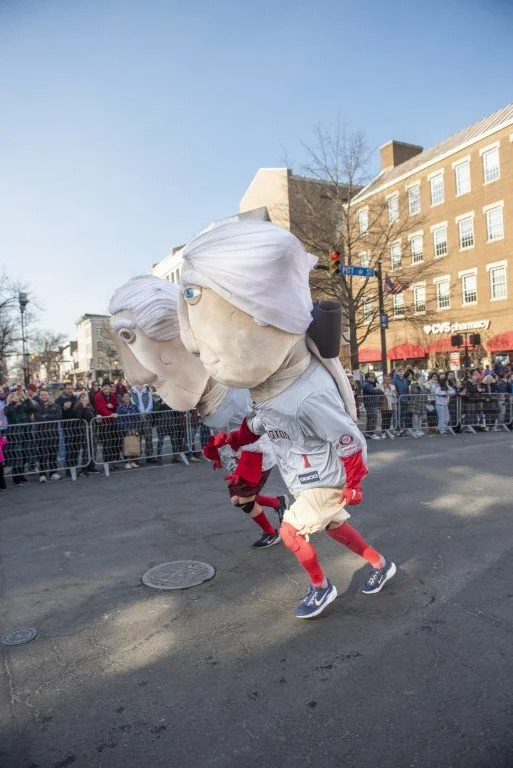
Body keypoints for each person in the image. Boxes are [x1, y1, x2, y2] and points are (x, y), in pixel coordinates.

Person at [179, 220, 396, 618]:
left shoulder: (309, 394)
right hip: (302, 475)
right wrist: (229, 440)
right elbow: (261, 424)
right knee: (334, 528)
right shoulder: (270, 389)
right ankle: (381, 564)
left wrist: (353, 481)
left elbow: (348, 437)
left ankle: (321, 587)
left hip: (323, 477)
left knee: (291, 531)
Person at [109, 274, 286, 549]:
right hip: (237, 456)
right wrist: (223, 452)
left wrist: (241, 464)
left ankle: (272, 530)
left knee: (240, 501)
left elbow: (253, 432)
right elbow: (222, 430)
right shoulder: (205, 395)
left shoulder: (233, 388)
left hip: (254, 457)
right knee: (242, 501)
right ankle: (277, 504)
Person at [4, 389, 35, 485]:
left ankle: (21, 475)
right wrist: (13, 402)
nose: (16, 396)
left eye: (17, 395)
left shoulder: (23, 405)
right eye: (13, 395)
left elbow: (31, 408)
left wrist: (25, 396)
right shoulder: (8, 407)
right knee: (17, 456)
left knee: (24, 455)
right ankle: (16, 477)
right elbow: (8, 413)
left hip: (25, 433)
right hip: (15, 434)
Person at [34, 390, 62, 482]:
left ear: (48, 395)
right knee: (43, 455)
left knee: (53, 454)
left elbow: (59, 416)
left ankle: (53, 473)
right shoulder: (37, 406)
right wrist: (48, 416)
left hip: (53, 434)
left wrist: (46, 416)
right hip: (41, 434)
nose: (44, 396)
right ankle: (42, 474)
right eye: (42, 395)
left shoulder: (55, 406)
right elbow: (38, 417)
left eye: (45, 394)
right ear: (39, 396)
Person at [94, 380, 122, 469]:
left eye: (108, 386)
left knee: (114, 441)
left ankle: (113, 463)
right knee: (107, 443)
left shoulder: (112, 395)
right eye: (105, 386)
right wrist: (111, 414)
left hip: (112, 422)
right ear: (102, 387)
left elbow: (117, 406)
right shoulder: (98, 396)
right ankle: (107, 463)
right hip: (104, 423)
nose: (107, 388)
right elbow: (101, 408)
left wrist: (112, 407)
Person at [72, 392, 100, 475]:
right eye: (82, 397)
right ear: (79, 399)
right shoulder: (78, 407)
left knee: (93, 448)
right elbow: (79, 416)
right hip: (83, 431)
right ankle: (84, 468)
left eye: (85, 397)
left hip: (92, 430)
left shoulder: (90, 407)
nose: (84, 399)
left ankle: (91, 467)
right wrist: (83, 408)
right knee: (86, 449)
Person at [130, 384, 157, 464]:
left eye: (141, 384)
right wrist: (140, 415)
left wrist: (146, 413)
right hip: (137, 418)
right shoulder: (131, 393)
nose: (140, 386)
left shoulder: (147, 392)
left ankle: (149, 455)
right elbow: (133, 404)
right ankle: (136, 457)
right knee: (137, 438)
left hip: (147, 417)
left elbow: (150, 404)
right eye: (139, 384)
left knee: (148, 436)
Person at [55, 381, 78, 473]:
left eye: (71, 388)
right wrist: (64, 408)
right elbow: (58, 414)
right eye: (68, 389)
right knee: (69, 446)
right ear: (64, 389)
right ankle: (69, 468)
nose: (70, 390)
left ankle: (75, 466)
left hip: (76, 425)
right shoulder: (59, 400)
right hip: (66, 425)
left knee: (75, 446)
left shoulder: (75, 398)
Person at [116, 392, 141, 469]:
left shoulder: (134, 406)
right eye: (125, 396)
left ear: (130, 398)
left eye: (128, 396)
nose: (126, 398)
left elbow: (138, 418)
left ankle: (133, 461)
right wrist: (126, 429)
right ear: (122, 398)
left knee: (133, 444)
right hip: (124, 429)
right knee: (125, 445)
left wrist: (135, 428)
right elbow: (118, 420)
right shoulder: (119, 408)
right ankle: (127, 462)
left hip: (133, 429)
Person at [361, 372, 383, 439]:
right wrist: (379, 390)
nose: (373, 378)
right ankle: (371, 433)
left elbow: (373, 391)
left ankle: (369, 433)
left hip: (372, 403)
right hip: (370, 403)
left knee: (371, 419)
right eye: (371, 377)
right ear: (367, 378)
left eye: (374, 377)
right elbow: (372, 391)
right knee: (373, 419)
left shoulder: (369, 383)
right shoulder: (367, 384)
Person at [392, 367, 409, 434]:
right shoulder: (394, 380)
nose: (401, 373)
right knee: (397, 415)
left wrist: (407, 398)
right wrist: (398, 397)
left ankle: (401, 427)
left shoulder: (405, 380)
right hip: (398, 400)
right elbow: (394, 390)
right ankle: (396, 428)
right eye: (399, 371)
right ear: (397, 372)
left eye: (402, 371)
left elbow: (407, 390)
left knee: (403, 415)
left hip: (405, 400)